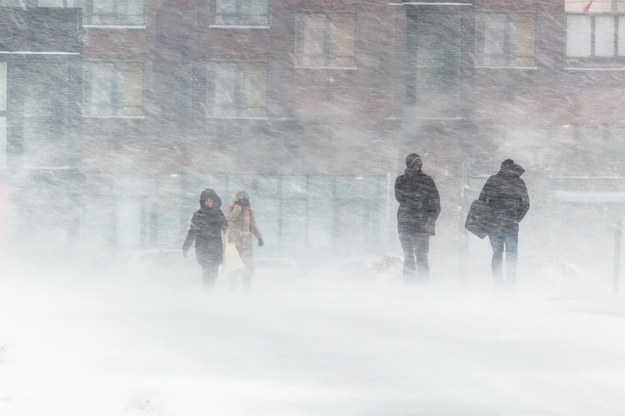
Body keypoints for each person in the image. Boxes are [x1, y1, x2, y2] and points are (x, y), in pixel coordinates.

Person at [478, 159, 530, 287]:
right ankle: (510, 282)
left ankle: (498, 283)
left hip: (495, 224)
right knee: (511, 253)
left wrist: (488, 217)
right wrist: (516, 218)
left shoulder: (493, 180)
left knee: (497, 253)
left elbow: (481, 201)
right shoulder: (518, 182)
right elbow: (526, 204)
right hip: (510, 224)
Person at [395, 153, 441, 282]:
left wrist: (430, 220)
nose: (417, 167)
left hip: (422, 226)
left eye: (419, 164)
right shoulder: (401, 180)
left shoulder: (427, 180)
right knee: (408, 256)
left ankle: (423, 285)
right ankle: (409, 286)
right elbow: (400, 197)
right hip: (405, 225)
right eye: (414, 164)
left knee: (422, 257)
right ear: (409, 165)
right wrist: (417, 198)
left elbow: (436, 204)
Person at [183, 188, 228, 291]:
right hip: (202, 247)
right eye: (207, 201)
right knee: (206, 270)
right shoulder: (198, 215)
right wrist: (186, 246)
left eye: (211, 200)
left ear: (214, 201)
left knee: (215, 270)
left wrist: (224, 226)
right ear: (203, 202)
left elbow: (225, 226)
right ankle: (206, 290)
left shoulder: (218, 213)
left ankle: (210, 289)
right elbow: (192, 231)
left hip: (216, 246)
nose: (209, 202)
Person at [225, 189, 264, 290]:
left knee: (248, 269)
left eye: (246, 199)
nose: (244, 201)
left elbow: (253, 225)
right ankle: (232, 290)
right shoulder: (231, 208)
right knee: (233, 269)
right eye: (242, 199)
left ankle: (246, 291)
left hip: (247, 245)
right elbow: (230, 219)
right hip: (233, 243)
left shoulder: (249, 210)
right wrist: (237, 207)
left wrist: (259, 237)